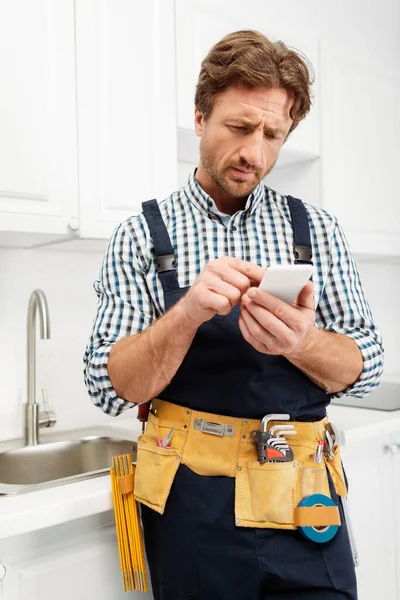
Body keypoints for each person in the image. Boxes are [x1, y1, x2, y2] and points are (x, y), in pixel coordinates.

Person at [84, 30, 383, 600]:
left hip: (305, 500)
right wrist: (185, 316)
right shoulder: (141, 237)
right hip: (191, 505)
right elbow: (108, 387)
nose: (256, 152)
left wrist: (301, 341)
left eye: (274, 134)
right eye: (240, 127)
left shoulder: (315, 230)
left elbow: (363, 367)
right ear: (200, 119)